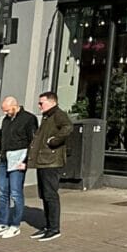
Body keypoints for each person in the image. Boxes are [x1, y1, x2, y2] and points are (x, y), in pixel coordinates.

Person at [27, 91, 73, 240]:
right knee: (45, 195)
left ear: (52, 102)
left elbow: (68, 127)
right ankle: (48, 226)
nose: (39, 106)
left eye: (42, 103)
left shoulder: (58, 114)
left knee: (50, 195)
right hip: (44, 161)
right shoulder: (47, 117)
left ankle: (54, 228)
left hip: (51, 162)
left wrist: (54, 141)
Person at [0, 95, 35, 238]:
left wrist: (27, 161)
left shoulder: (28, 119)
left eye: (8, 110)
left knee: (15, 192)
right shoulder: (6, 120)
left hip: (18, 159)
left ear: (14, 106)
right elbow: (3, 138)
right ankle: (2, 223)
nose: (6, 113)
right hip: (4, 158)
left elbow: (33, 141)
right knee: (2, 192)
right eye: (4, 111)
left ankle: (15, 225)